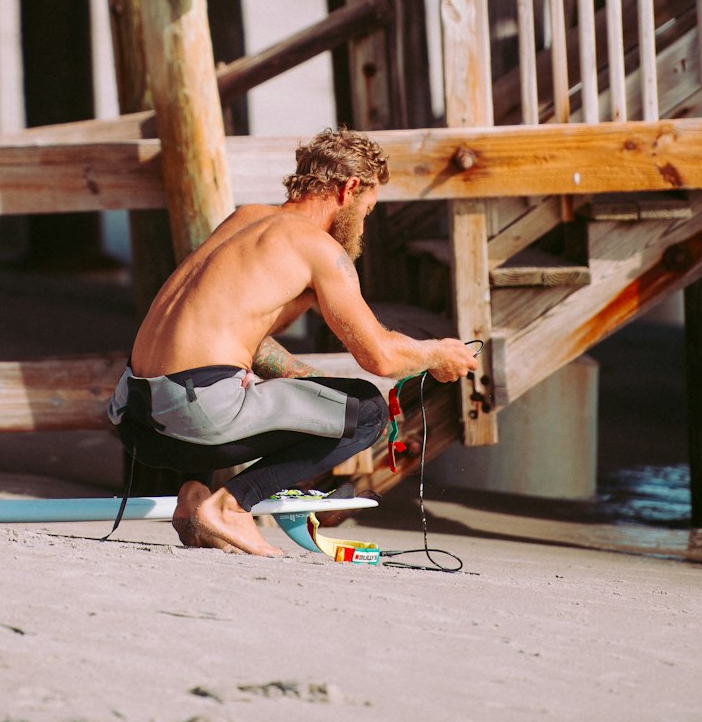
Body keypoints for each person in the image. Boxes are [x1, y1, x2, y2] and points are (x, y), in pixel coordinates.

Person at [107, 127, 478, 557]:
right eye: (367, 211)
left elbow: (249, 341)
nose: (362, 226)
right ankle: (230, 507)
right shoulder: (318, 249)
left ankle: (194, 498)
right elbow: (380, 357)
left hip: (135, 422)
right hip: (193, 417)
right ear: (350, 189)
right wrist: (436, 353)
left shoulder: (245, 219)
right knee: (368, 410)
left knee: (247, 382)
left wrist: (309, 384)